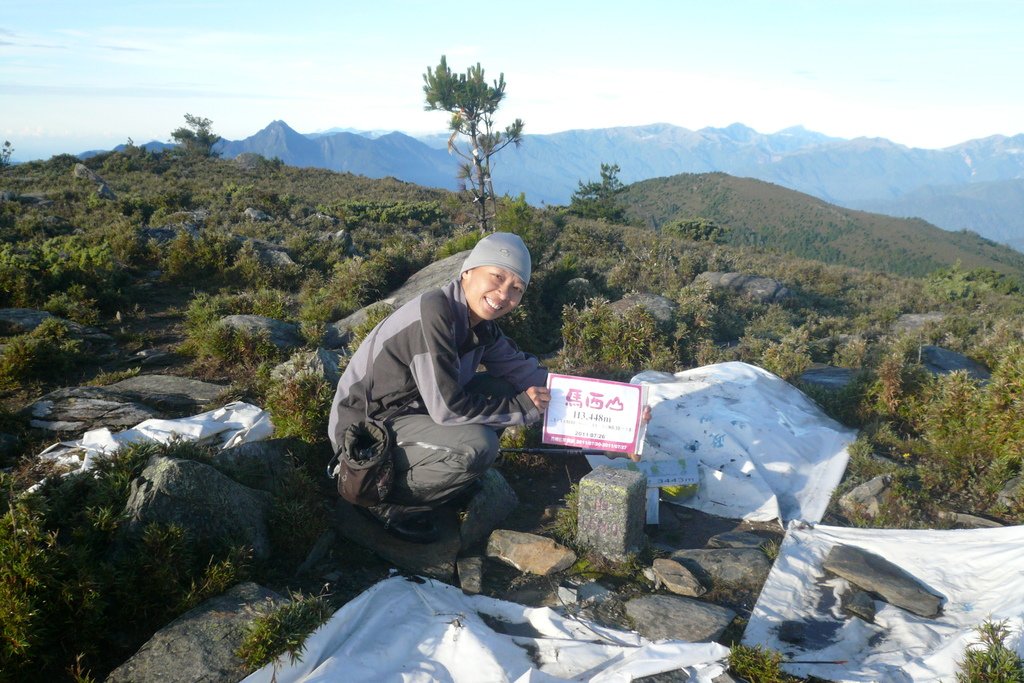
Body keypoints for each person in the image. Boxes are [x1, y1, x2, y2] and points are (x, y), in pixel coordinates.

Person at [328, 232, 551, 543]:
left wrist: (620, 422)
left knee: (501, 388)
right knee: (480, 445)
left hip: (414, 415)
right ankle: (384, 502)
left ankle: (443, 477)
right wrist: (522, 409)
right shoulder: (434, 311)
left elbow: (529, 375)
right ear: (468, 273)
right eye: (497, 277)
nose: (503, 294)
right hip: (366, 436)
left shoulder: (481, 327)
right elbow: (448, 409)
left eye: (516, 288)